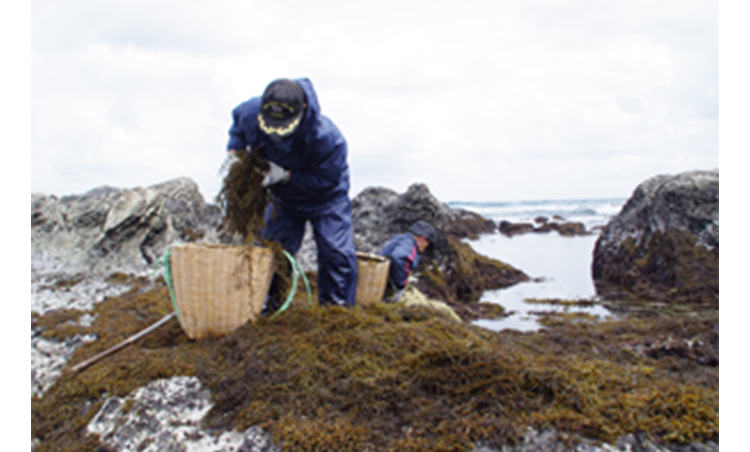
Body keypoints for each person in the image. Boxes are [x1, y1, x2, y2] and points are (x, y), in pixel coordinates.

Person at [226, 77, 358, 307]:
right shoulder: (250, 113)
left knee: (335, 253)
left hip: (327, 198)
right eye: (271, 127)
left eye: (283, 128)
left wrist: (286, 176)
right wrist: (235, 154)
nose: (276, 134)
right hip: (283, 199)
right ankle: (271, 304)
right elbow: (238, 128)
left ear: (302, 110)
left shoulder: (328, 139)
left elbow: (327, 180)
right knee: (273, 249)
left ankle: (336, 310)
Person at [379, 220, 437, 302]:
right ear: (423, 238)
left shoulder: (399, 238)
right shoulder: (410, 246)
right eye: (427, 245)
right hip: (384, 283)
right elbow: (399, 258)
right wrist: (401, 285)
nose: (425, 249)